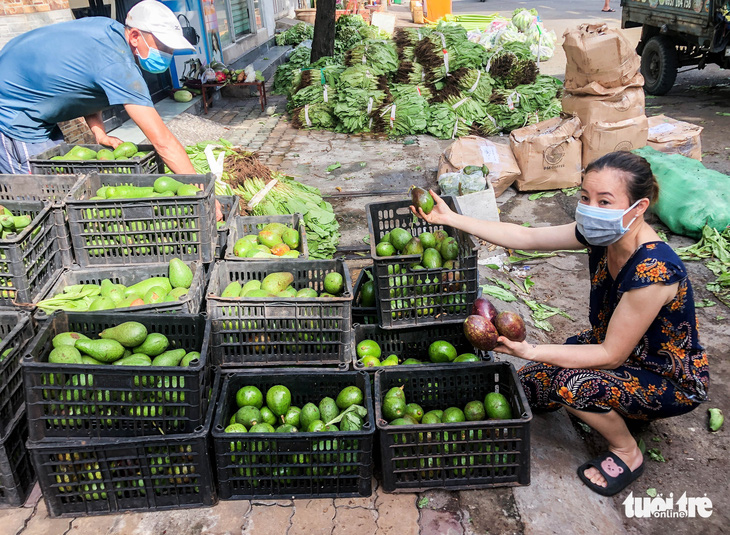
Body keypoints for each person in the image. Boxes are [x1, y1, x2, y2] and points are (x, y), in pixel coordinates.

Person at [411, 151, 709, 497]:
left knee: (571, 383)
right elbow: (526, 238)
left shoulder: (653, 271)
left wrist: (530, 349)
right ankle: (617, 407)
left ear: (639, 207)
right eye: (585, 197)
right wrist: (452, 218)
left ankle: (627, 451)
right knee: (528, 386)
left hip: (665, 375)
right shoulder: (601, 235)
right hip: (620, 349)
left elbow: (611, 355)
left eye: (604, 201)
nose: (590, 208)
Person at [0, 0, 197, 175]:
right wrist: (202, 189)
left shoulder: (110, 31)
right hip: (13, 116)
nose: (167, 54)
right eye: (163, 47)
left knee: (59, 175)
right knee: (40, 191)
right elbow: (162, 141)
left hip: (37, 111)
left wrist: (99, 133)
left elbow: (88, 89)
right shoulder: (117, 64)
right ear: (135, 36)